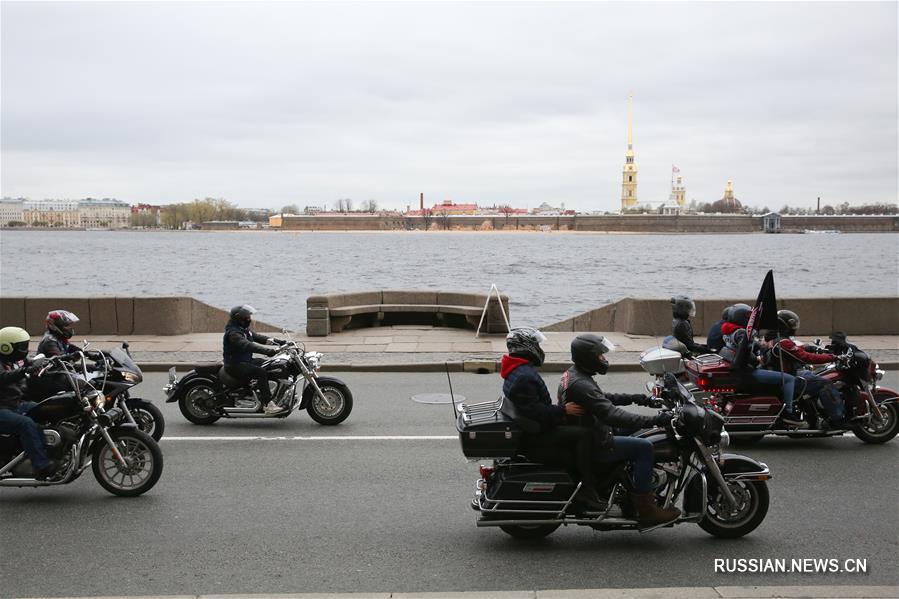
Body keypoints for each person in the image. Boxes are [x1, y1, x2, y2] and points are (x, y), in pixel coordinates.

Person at [557, 333, 681, 527]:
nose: (604, 359)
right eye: (600, 356)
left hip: (593, 431)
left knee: (636, 434)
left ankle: (629, 489)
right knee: (644, 447)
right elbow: (611, 413)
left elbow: (602, 397)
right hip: (597, 441)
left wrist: (640, 398)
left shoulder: (576, 374)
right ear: (588, 357)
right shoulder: (580, 383)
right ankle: (647, 510)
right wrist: (656, 420)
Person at [500, 327, 605, 510]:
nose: (540, 349)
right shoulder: (524, 376)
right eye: (537, 344)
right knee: (584, 434)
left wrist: (560, 411)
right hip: (536, 434)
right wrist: (563, 411)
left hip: (533, 427)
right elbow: (535, 411)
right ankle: (587, 488)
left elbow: (532, 407)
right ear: (527, 346)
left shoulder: (517, 369)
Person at [763, 310, 846, 427]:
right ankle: (837, 418)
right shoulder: (782, 342)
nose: (795, 328)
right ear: (784, 326)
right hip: (789, 377)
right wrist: (832, 357)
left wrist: (808, 347)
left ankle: (813, 410)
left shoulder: (771, 339)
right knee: (825, 383)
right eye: (792, 325)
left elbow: (795, 349)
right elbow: (806, 358)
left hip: (781, 375)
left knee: (812, 373)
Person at [0, 326, 58, 480]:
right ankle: (42, 466)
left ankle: (54, 450)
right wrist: (26, 370)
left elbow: (30, 361)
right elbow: (5, 377)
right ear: (6, 347)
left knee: (47, 408)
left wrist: (50, 360)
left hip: (16, 404)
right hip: (2, 408)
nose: (24, 349)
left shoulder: (13, 359)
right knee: (26, 424)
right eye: (21, 346)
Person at [223, 305, 286, 414]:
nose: (249, 319)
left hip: (246, 361)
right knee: (260, 372)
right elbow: (247, 345)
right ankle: (268, 404)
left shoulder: (243, 329)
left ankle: (269, 393)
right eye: (247, 317)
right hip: (235, 365)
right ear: (239, 318)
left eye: (249, 316)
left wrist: (280, 342)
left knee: (270, 364)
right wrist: (267, 351)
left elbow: (259, 338)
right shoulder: (233, 333)